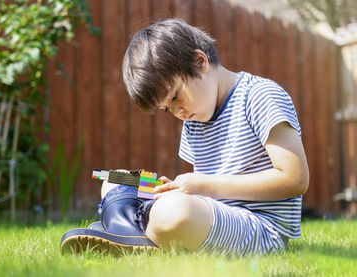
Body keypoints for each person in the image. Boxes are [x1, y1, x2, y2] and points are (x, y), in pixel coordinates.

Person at [60, 18, 309, 256]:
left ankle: (126, 231)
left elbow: (294, 179)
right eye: (167, 109)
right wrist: (175, 187)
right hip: (210, 214)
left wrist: (202, 185)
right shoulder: (195, 118)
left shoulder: (260, 95)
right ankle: (130, 233)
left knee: (174, 211)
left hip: (261, 229)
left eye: (176, 96)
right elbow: (202, 194)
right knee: (115, 180)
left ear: (199, 62)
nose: (177, 112)